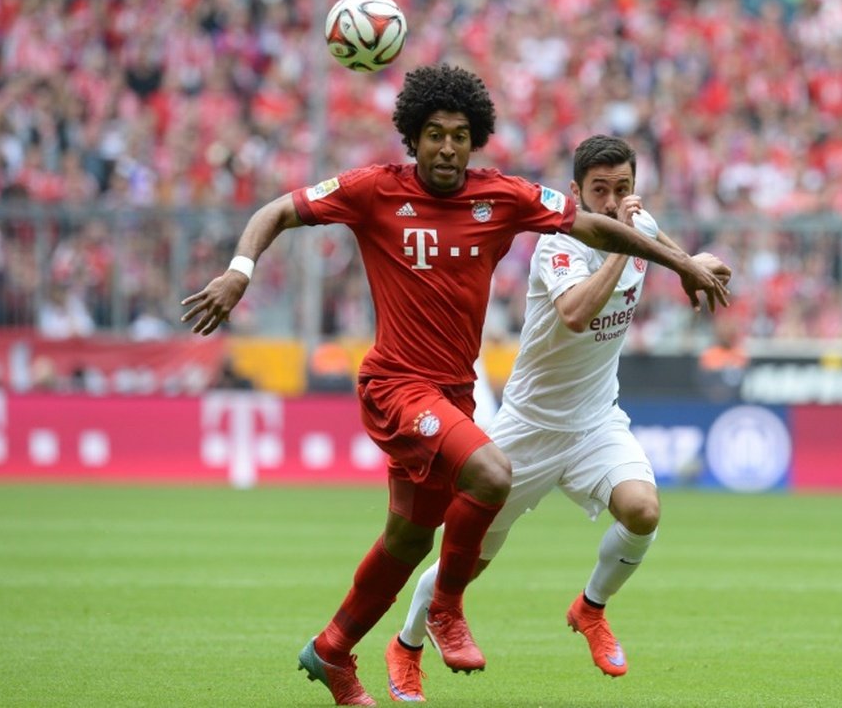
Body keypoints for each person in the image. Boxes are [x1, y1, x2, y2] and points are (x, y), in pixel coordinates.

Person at [180, 65, 729, 707]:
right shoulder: (371, 191)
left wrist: (685, 264)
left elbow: (597, 228)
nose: (447, 147)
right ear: (413, 138)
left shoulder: (503, 197)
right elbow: (278, 210)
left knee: (409, 540)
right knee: (491, 475)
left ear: (476, 141)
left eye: (461, 136)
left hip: (452, 396)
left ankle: (331, 650)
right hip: (395, 386)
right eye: (435, 134)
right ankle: (445, 610)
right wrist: (239, 272)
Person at [386, 135, 732, 702]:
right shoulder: (557, 244)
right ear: (577, 192)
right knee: (466, 563)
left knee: (643, 511)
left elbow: (661, 244)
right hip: (528, 429)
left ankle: (590, 609)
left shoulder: (638, 224)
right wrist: (626, 244)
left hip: (596, 422)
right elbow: (574, 314)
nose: (616, 200)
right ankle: (406, 645)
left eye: (624, 189)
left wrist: (688, 264)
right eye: (601, 190)